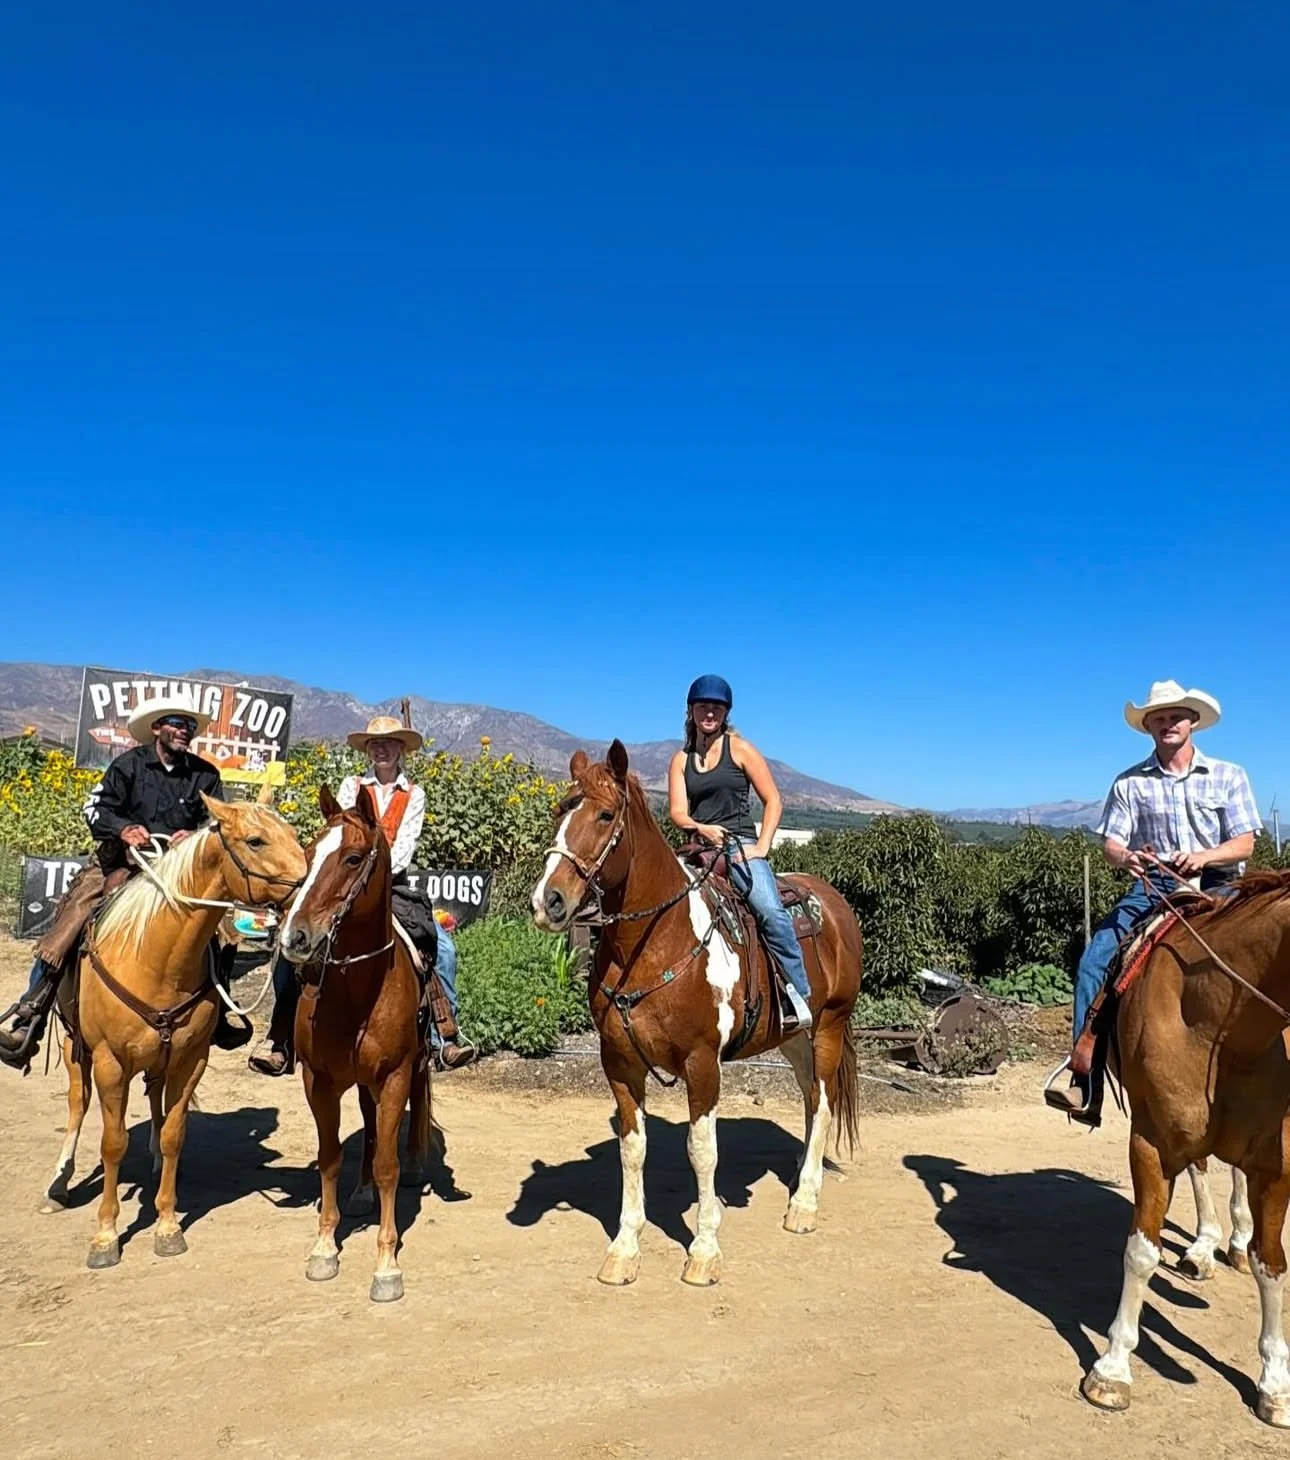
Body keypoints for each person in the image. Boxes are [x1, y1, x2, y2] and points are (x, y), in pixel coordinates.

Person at [1046, 679, 1261, 1118]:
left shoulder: (1229, 775)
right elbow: (1111, 844)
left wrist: (1203, 857)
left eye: (1175, 716)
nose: (1167, 723)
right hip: (1155, 886)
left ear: (1193, 722)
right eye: (1158, 718)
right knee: (1094, 960)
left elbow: (1244, 844)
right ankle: (1084, 1080)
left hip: (1221, 884)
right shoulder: (1129, 783)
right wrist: (1125, 856)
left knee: (1268, 951)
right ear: (1148, 727)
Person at [0, 695, 237, 1069]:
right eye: (176, 723)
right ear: (157, 729)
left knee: (222, 932)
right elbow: (95, 808)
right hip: (120, 863)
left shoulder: (206, 775)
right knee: (73, 919)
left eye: (189, 725)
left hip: (180, 872)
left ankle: (220, 1014)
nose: (184, 731)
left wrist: (192, 836)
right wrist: (123, 828)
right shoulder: (127, 765)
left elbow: (221, 822)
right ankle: (32, 1010)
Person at [248, 716, 475, 1074]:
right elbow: (338, 831)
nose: (380, 748)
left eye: (388, 742)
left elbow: (404, 847)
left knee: (442, 948)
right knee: (291, 943)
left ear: (401, 749)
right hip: (344, 879)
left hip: (390, 884)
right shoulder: (350, 785)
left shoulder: (413, 794)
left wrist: (376, 871)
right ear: (367, 750)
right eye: (374, 743)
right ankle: (280, 1039)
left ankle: (443, 1035)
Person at [667, 674, 813, 1031]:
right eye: (703, 706)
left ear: (725, 712)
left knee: (769, 911)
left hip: (740, 847)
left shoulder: (741, 749)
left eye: (716, 707)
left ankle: (797, 993)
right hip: (696, 848)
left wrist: (761, 846)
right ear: (691, 710)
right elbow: (678, 812)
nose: (709, 712)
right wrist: (701, 828)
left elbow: (773, 799)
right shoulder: (680, 761)